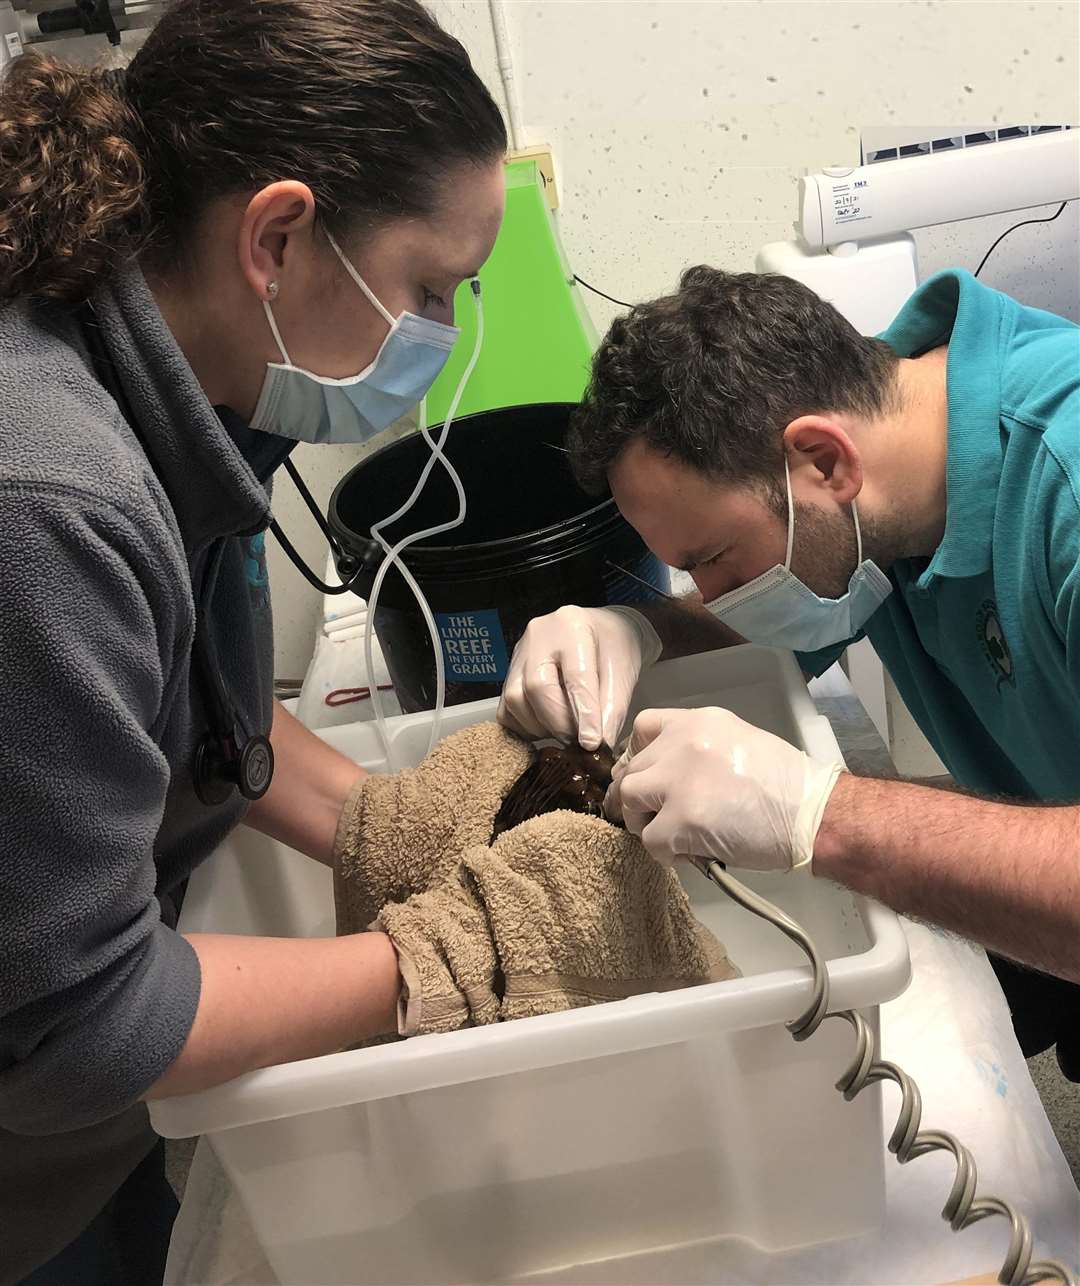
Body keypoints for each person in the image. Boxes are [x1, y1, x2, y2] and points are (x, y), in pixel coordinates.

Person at [0, 2, 506, 1281]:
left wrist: (397, 822)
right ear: (277, 236)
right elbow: (83, 1024)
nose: (438, 340)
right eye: (428, 290)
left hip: (86, 1136)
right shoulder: (49, 500)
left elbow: (182, 700)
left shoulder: (176, 370)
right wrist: (454, 958)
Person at [498, 264, 1080, 1078]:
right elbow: (777, 600)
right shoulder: (886, 461)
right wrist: (642, 629)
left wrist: (821, 815)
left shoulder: (1065, 491)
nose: (718, 600)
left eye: (716, 562)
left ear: (823, 461)